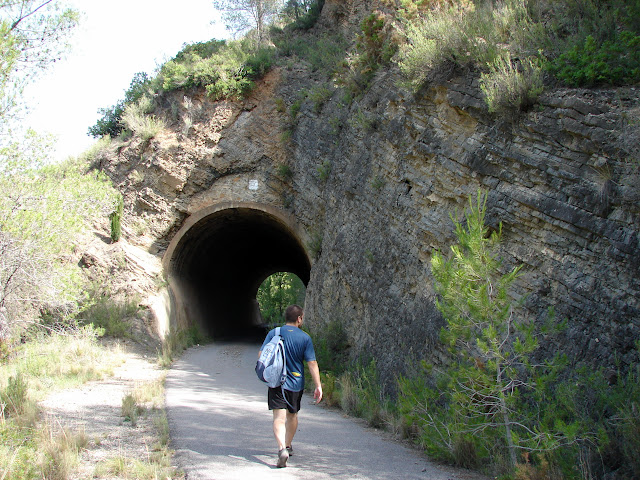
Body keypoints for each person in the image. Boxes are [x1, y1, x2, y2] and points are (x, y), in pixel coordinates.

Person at [258, 304, 323, 468]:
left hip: (276, 382)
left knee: (278, 418)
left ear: (286, 318)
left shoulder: (275, 333)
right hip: (295, 383)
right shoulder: (305, 338)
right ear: (299, 318)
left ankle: (281, 449)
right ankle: (287, 445)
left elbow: (262, 354)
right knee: (292, 416)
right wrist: (318, 385)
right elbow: (312, 363)